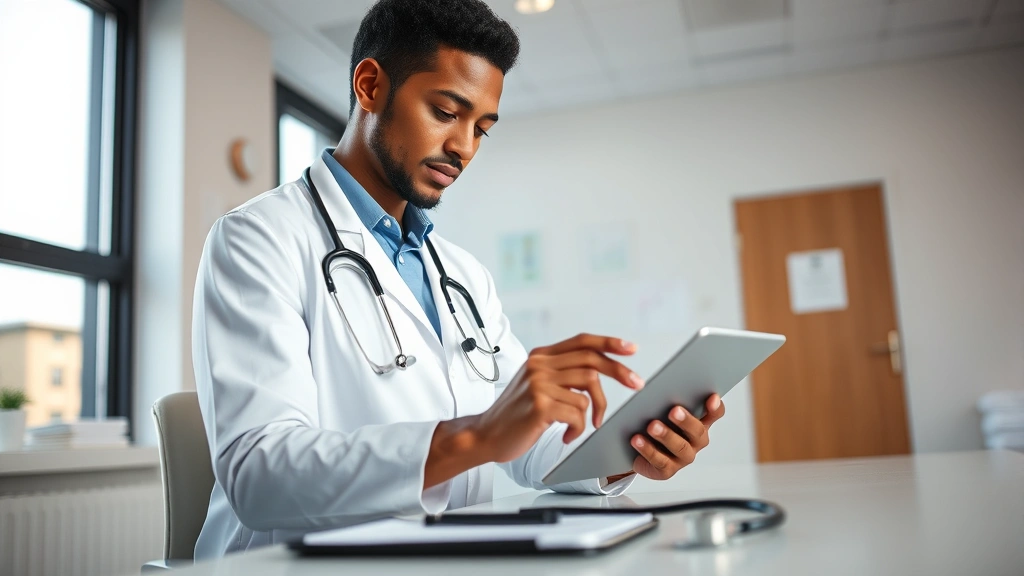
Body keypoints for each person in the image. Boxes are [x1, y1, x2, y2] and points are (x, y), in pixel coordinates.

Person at [191, 0, 725, 559]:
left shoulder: (462, 274)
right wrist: (476, 437)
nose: (464, 147)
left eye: (482, 129)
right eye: (446, 112)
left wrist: (629, 449)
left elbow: (532, 448)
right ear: (371, 86)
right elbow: (259, 475)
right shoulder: (258, 239)